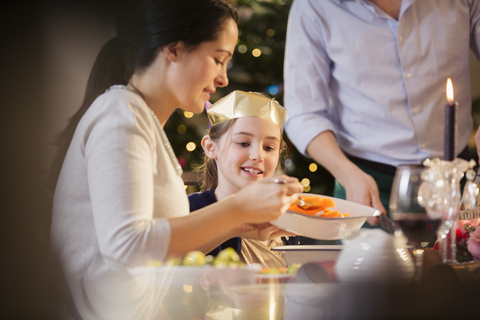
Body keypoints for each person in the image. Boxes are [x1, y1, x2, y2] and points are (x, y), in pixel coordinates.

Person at [49, 1, 303, 319]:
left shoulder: (136, 117)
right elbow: (127, 247)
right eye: (218, 59)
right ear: (174, 49)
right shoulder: (120, 115)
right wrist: (239, 207)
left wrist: (238, 227)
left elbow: (153, 250)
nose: (223, 78)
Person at [283, 0, 480, 224]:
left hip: (456, 182)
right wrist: (347, 173)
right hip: (367, 186)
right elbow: (303, 113)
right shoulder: (313, 5)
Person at [188, 90, 299, 269]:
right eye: (243, 143)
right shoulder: (190, 211)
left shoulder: (285, 218)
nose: (258, 155)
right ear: (210, 147)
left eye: (269, 147)